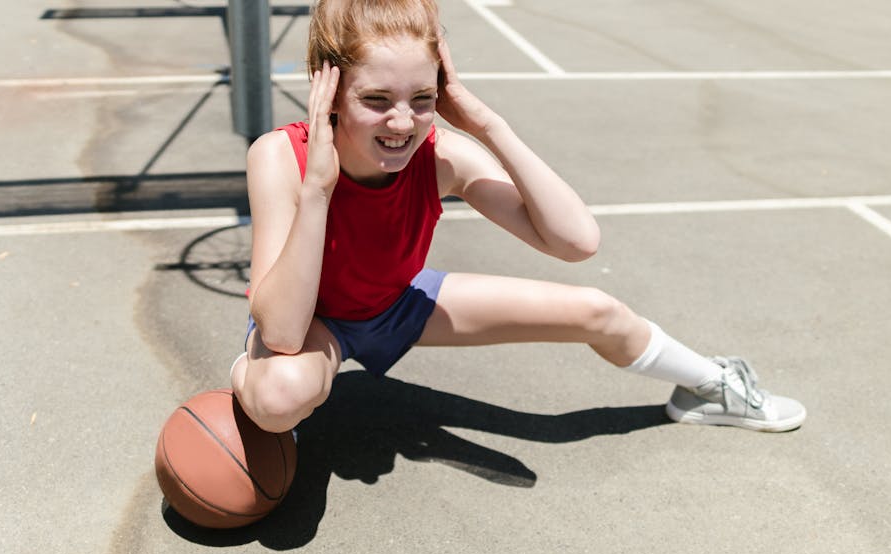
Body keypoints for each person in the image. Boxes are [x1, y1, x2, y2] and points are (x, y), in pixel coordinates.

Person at [230, 0, 805, 436]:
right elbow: (282, 331)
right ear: (329, 90)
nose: (403, 122)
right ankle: (243, 381)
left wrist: (486, 124)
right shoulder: (281, 157)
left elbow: (576, 241)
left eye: (423, 99)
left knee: (598, 311)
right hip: (312, 325)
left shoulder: (444, 158)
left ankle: (708, 386)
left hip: (395, 305)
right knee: (282, 393)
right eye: (376, 99)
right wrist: (319, 190)